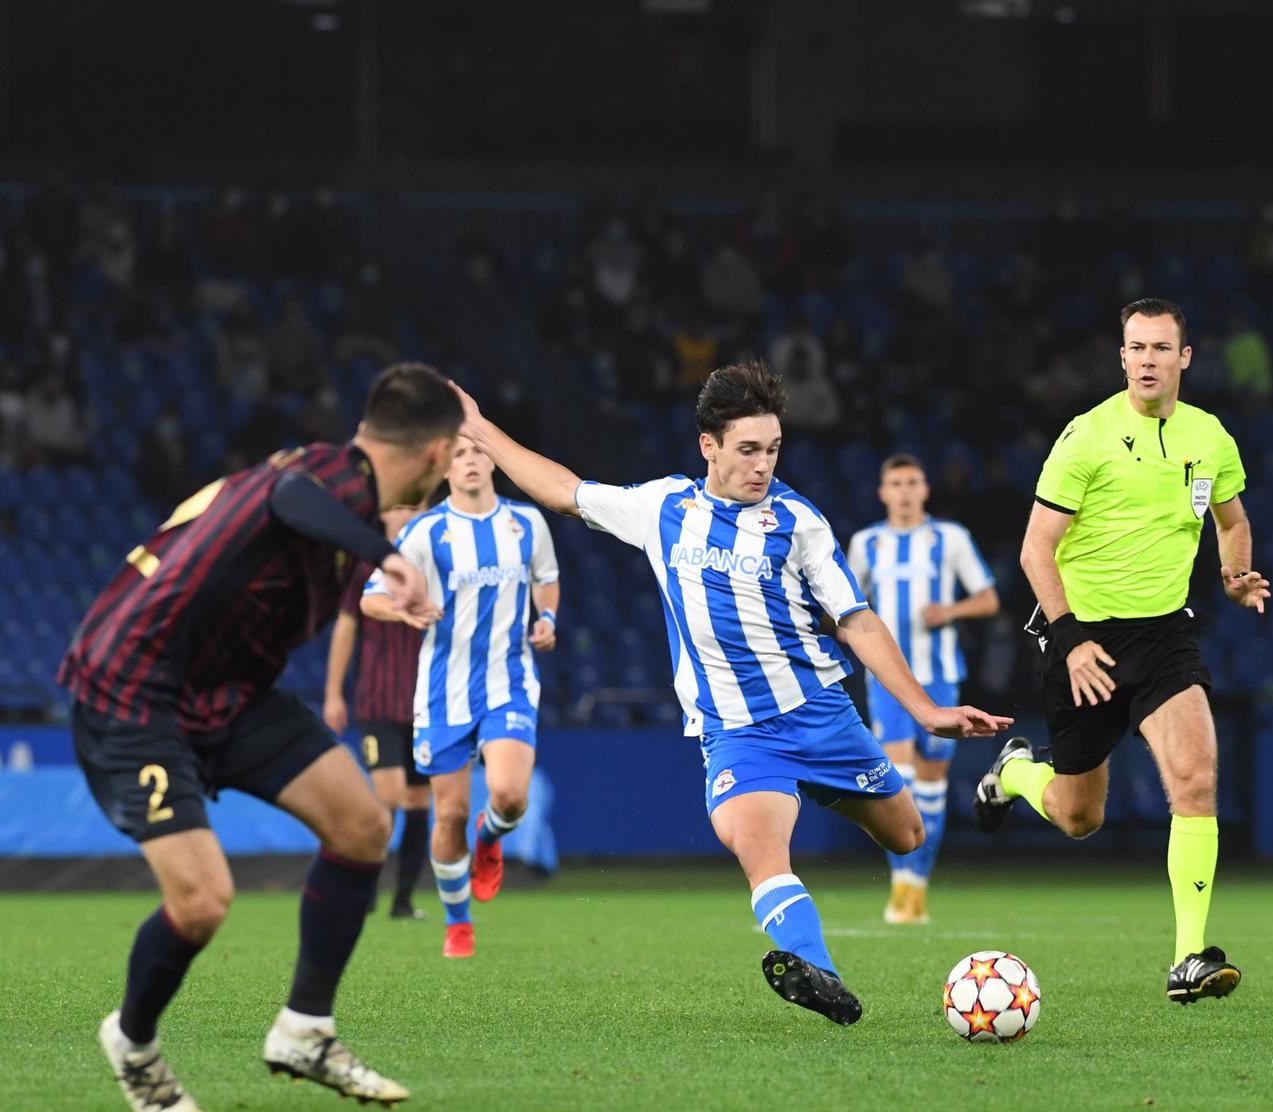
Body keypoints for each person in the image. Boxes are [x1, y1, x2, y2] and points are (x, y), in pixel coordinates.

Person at [453, 362, 1006, 1025]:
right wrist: (482, 430)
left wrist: (925, 709)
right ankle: (819, 972)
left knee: (907, 832)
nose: (762, 464)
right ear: (708, 445)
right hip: (739, 732)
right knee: (757, 846)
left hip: (819, 713)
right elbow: (564, 489)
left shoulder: (798, 521)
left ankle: (824, 788)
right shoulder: (662, 508)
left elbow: (856, 619)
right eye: (748, 448)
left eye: (772, 449)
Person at [58, 362, 457, 1112]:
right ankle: (133, 1041)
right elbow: (287, 494)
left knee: (363, 824)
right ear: (437, 454)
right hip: (136, 691)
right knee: (203, 899)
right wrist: (390, 559)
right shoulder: (329, 477)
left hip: (228, 691)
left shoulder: (345, 499)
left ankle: (305, 1029)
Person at [974, 298, 1268, 1005]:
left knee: (1195, 777)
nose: (1146, 360)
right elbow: (1033, 548)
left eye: (1160, 348)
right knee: (1080, 818)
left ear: (1184, 358)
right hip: (1084, 638)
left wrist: (1234, 574)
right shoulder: (1087, 437)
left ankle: (1188, 957)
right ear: (1122, 357)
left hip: (1164, 635)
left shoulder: (1211, 437)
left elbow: (1233, 520)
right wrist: (1070, 637)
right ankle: (1015, 774)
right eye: (1135, 348)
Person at [361, 436, 560, 960]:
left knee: (510, 795)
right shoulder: (426, 532)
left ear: (491, 459)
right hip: (444, 689)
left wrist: (548, 619)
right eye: (458, 456)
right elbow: (371, 597)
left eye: (476, 453)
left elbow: (548, 580)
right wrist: (403, 610)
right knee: (446, 815)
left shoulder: (527, 524)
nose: (470, 463)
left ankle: (490, 838)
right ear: (443, 469)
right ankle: (458, 922)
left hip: (509, 681)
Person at [847, 454, 1000, 924]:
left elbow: (989, 598)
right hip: (888, 681)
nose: (905, 491)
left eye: (913, 481)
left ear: (925, 489)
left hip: (939, 678)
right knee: (899, 780)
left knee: (930, 788)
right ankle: (901, 885)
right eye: (896, 483)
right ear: (882, 492)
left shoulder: (949, 538)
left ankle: (916, 887)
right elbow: (849, 603)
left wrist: (949, 612)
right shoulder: (866, 543)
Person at [323, 504, 434, 922]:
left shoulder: (437, 560)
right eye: (400, 506)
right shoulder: (365, 565)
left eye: (415, 505)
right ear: (385, 513)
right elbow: (347, 626)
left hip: (426, 701)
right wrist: (333, 692)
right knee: (388, 798)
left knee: (420, 801)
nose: (406, 513)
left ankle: (402, 901)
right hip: (378, 699)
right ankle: (364, 893)